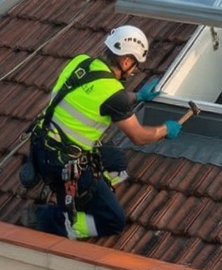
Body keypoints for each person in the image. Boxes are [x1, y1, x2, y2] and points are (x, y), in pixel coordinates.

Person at [22, 25, 182, 240]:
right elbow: (139, 136)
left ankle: (85, 194)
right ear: (126, 61)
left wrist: (137, 97)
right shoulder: (112, 93)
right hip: (62, 164)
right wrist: (165, 129)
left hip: (40, 145)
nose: (134, 71)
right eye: (135, 65)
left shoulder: (81, 62)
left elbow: (96, 92)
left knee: (118, 162)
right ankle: (49, 217)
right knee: (113, 221)